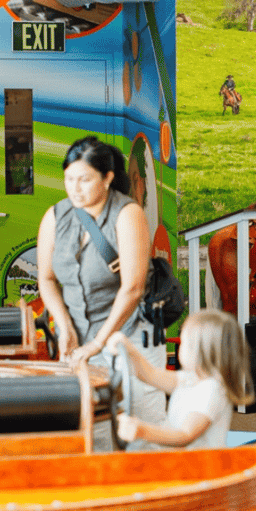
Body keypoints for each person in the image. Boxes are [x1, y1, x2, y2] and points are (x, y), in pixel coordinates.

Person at [108, 309, 255, 511]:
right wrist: (128, 348)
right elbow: (149, 375)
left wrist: (142, 430)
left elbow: (186, 434)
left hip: (211, 497)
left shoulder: (212, 390)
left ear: (205, 353)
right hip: (190, 489)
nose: (179, 347)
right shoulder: (190, 379)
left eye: (186, 342)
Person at [37, 135, 165, 445]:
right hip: (79, 341)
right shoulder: (56, 215)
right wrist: (64, 325)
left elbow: (133, 288)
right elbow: (46, 279)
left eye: (84, 179)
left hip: (130, 337)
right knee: (92, 428)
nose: (75, 188)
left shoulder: (127, 213)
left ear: (107, 178)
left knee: (140, 431)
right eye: (69, 179)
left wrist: (97, 343)